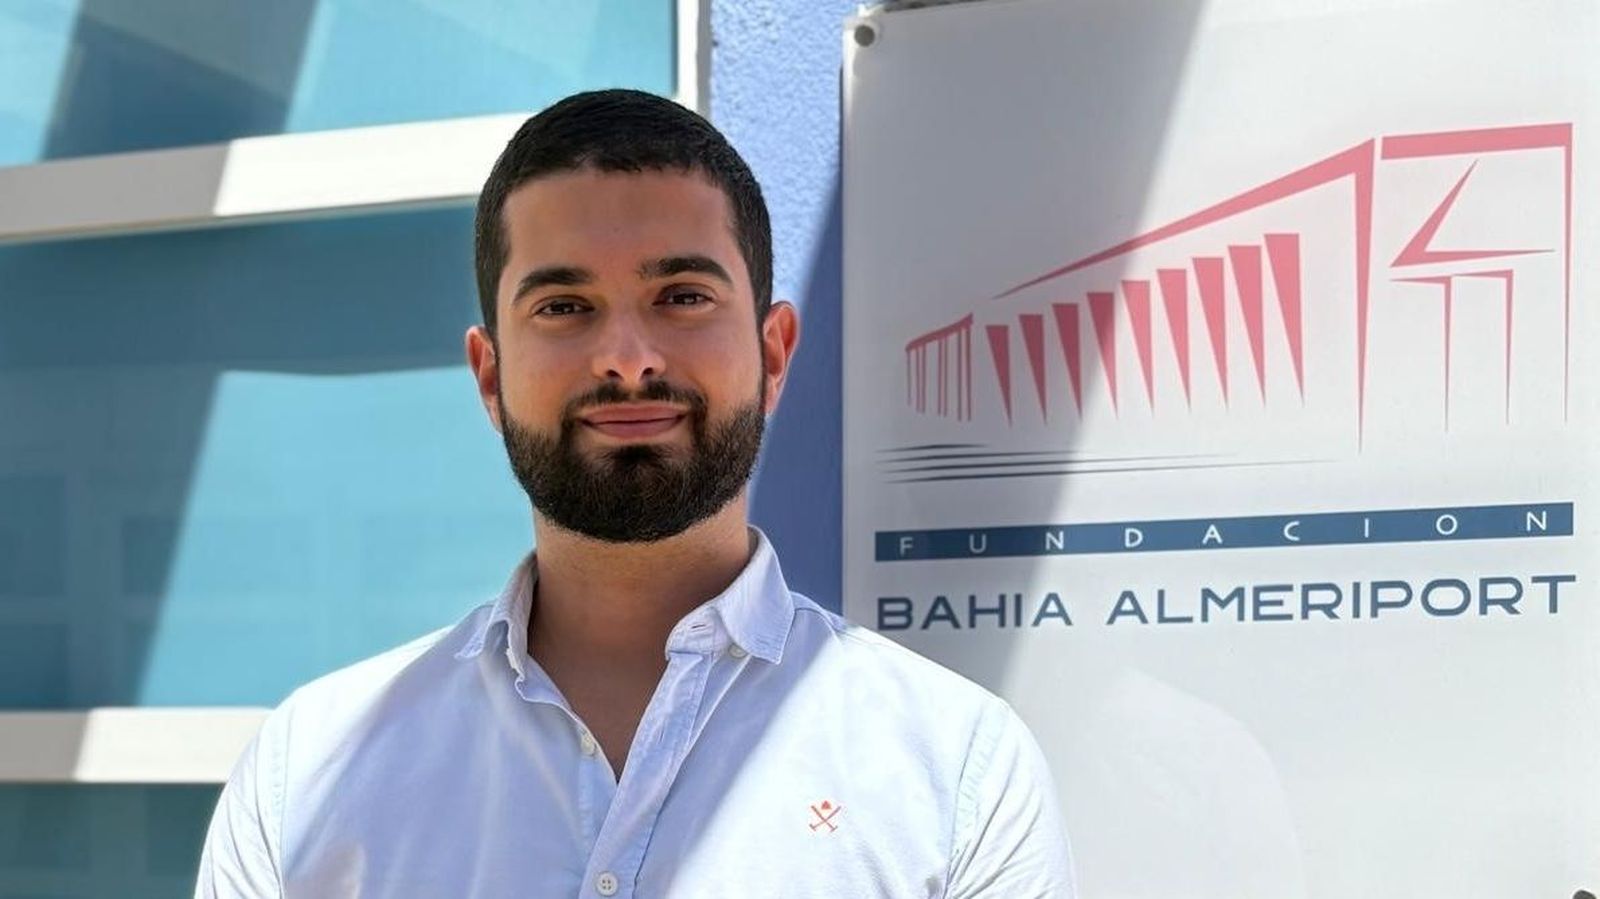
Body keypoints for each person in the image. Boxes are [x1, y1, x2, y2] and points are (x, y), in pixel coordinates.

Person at [195, 88, 1073, 898]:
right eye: (564, 305)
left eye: (681, 294)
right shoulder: (305, 773)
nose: (628, 355)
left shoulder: (960, 772)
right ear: (489, 375)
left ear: (773, 354)